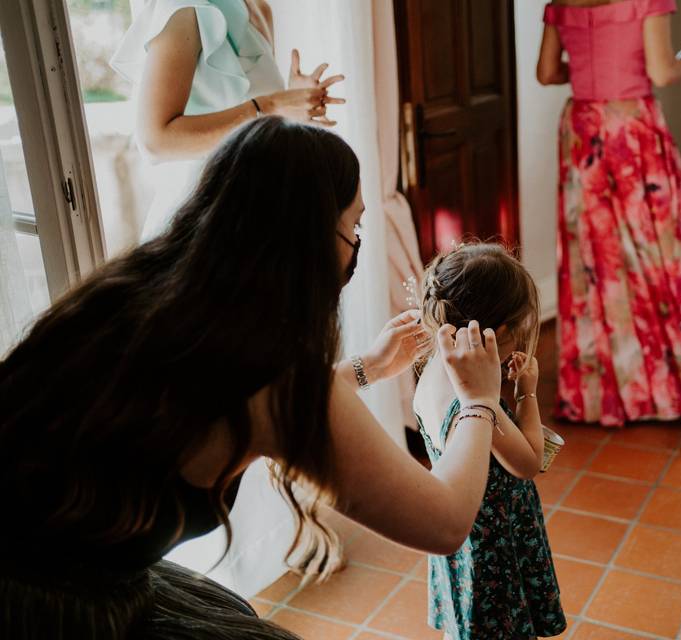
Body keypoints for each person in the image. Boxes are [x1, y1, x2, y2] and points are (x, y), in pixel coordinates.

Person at [0, 118, 505, 639]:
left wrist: (368, 367)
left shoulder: (142, 293)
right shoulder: (276, 377)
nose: (355, 246)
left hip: (54, 554)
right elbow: (444, 523)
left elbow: (234, 411)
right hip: (51, 611)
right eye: (352, 229)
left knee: (236, 614)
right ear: (308, 239)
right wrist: (478, 400)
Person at [537, 0, 681, 426]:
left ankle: (601, 394)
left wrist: (585, 70)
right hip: (630, 128)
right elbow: (660, 71)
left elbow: (546, 74)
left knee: (595, 257)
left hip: (583, 130)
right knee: (657, 246)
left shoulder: (559, 5)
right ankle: (667, 382)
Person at [415, 243, 566, 639]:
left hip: (463, 542)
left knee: (466, 624)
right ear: (499, 333)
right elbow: (530, 460)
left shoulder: (434, 370)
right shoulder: (479, 405)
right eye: (519, 329)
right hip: (494, 547)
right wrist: (526, 394)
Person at [111, 0, 345, 239]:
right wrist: (273, 105)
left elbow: (255, 126)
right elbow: (155, 141)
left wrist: (293, 102)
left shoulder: (261, 10)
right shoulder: (184, 8)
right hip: (198, 223)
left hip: (255, 213)